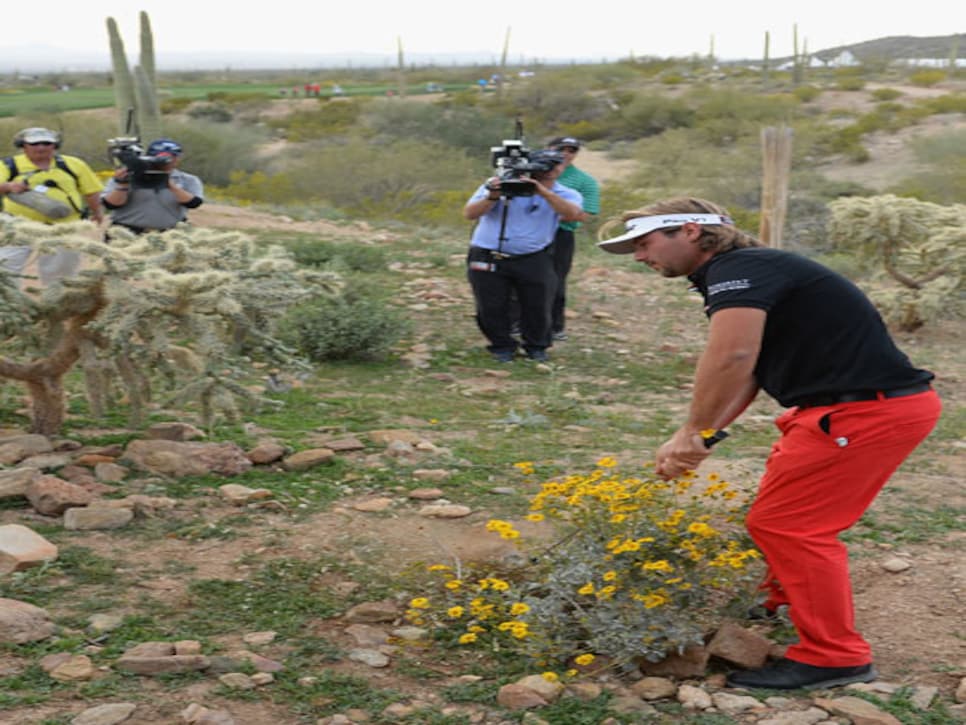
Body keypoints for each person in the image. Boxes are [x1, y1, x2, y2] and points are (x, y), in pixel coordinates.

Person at [597, 196, 941, 690]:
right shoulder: (750, 271)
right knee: (778, 513)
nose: (638, 256)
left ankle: (833, 657)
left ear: (691, 231)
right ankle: (781, 601)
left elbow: (733, 354)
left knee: (791, 527)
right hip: (837, 411)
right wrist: (704, 435)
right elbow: (752, 371)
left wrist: (691, 430)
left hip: (863, 412)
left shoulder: (741, 268)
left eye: (644, 242)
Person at [464, 150, 582, 363]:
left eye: (554, 166)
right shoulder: (498, 185)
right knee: (490, 304)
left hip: (533, 256)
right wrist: (493, 196)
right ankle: (501, 345)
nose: (548, 171)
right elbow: (470, 214)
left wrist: (543, 192)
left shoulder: (565, 193)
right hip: (488, 252)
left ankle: (536, 346)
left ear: (560, 169)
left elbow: (572, 215)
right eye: (542, 166)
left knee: (538, 303)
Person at [0, 127, 104, 284]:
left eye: (46, 143)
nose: (41, 147)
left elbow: (91, 191)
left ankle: (55, 304)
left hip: (64, 227)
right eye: (34, 144)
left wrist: (97, 212)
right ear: (23, 145)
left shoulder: (73, 164)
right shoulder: (8, 165)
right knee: (6, 267)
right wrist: (8, 187)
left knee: (61, 274)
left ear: (55, 145)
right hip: (18, 226)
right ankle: (7, 305)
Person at [545, 136, 600, 341]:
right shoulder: (531, 172)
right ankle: (516, 321)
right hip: (526, 232)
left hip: (560, 233)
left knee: (556, 279)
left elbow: (586, 212)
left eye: (572, 150)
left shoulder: (584, 181)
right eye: (561, 149)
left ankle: (555, 326)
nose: (566, 154)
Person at [102, 138, 204, 235]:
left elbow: (193, 203)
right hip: (126, 232)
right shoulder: (128, 175)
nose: (170, 161)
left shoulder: (188, 180)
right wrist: (122, 184)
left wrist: (169, 184)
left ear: (178, 158)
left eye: (174, 156)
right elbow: (110, 205)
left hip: (170, 233)